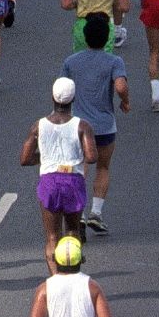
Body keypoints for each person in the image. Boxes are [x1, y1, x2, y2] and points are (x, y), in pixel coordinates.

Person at [61, 14, 131, 235]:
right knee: (103, 167)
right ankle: (96, 213)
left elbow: (62, 90)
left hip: (78, 125)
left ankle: (79, 212)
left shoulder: (71, 62)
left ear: (86, 36)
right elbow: (120, 87)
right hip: (104, 125)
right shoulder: (114, 61)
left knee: (80, 167)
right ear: (107, 37)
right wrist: (125, 101)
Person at [23, 77, 99, 258]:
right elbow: (92, 157)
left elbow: (24, 159)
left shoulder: (38, 125)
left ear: (52, 98)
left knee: (52, 237)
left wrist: (44, 158)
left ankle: (55, 277)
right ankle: (73, 268)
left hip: (49, 181)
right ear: (73, 99)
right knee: (72, 230)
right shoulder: (82, 126)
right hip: (73, 180)